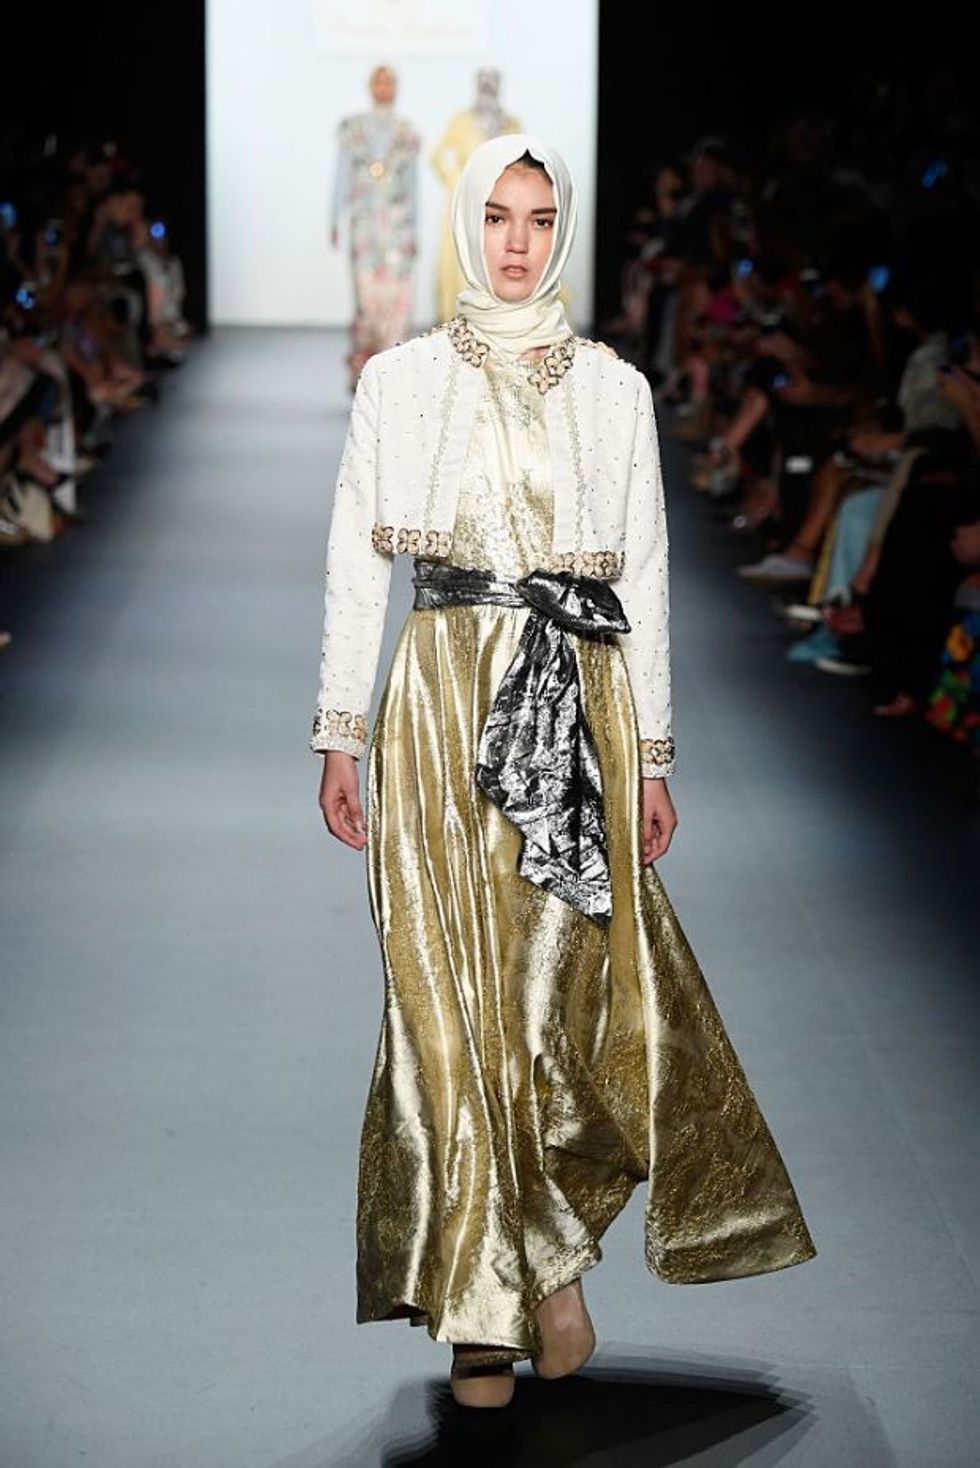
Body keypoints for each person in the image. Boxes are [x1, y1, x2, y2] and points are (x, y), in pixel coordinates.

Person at [312, 134, 817, 1410]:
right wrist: (339, 728)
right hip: (435, 703)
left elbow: (640, 572)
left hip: (569, 707)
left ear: (563, 227)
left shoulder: (615, 389)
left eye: (539, 217)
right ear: (465, 227)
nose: (517, 240)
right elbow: (354, 562)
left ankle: (546, 1271)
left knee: (547, 1006)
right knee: (439, 1002)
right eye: (495, 215)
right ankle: (485, 1305)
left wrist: (649, 754)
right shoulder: (400, 380)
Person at [330, 64, 420, 390]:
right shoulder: (353, 129)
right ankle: (365, 369)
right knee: (366, 296)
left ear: (396, 87)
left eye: (389, 80)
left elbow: (412, 186)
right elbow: (342, 175)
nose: (384, 86)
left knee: (396, 296)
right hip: (365, 226)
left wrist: (416, 230)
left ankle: (391, 370)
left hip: (397, 228)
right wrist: (333, 219)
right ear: (370, 86)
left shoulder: (406, 132)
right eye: (378, 80)